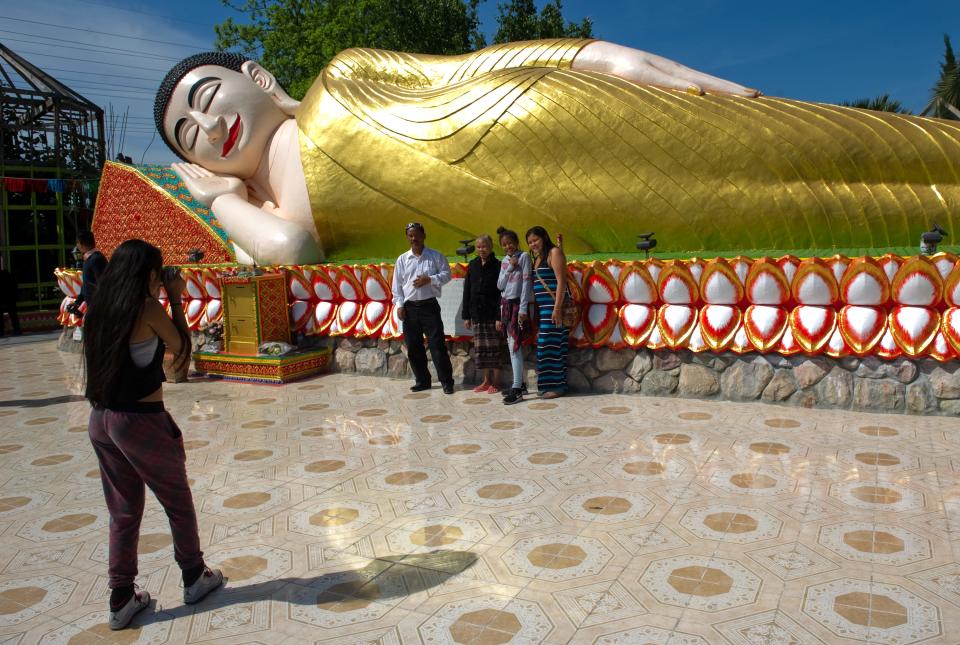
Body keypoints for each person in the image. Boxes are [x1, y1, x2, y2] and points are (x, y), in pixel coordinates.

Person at [154, 41, 960, 266]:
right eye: (188, 138)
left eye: (206, 97)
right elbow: (289, 249)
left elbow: (473, 69)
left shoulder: (342, 77)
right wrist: (225, 200)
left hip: (548, 119)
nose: (207, 125)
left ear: (255, 76)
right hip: (573, 212)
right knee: (791, 210)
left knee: (793, 138)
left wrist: (613, 59)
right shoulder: (273, 212)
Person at [82, 239, 223, 630]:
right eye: (158, 274)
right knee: (177, 499)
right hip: (139, 420)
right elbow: (181, 352)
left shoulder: (99, 310)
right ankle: (195, 575)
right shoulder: (146, 308)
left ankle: (121, 597)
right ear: (148, 274)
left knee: (123, 512)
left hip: (101, 419)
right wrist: (176, 300)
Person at [391, 222, 455, 395]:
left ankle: (447, 382)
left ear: (424, 235)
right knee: (413, 347)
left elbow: (447, 275)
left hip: (429, 306)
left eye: (417, 235)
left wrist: (430, 279)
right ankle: (422, 381)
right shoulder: (402, 259)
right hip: (410, 308)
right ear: (407, 238)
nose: (414, 238)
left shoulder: (435, 256)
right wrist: (400, 305)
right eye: (411, 235)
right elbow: (397, 286)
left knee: (437, 345)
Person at [527, 226, 569, 399]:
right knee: (551, 346)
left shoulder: (554, 253)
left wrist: (557, 308)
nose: (533, 244)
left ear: (544, 237)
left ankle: (556, 386)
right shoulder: (537, 258)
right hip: (544, 311)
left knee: (549, 347)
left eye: (535, 240)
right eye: (529, 242)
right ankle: (550, 385)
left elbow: (562, 281)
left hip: (553, 309)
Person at [462, 234, 503, 394]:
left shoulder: (498, 266)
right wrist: (466, 315)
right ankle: (486, 381)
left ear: (491, 247)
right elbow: (467, 291)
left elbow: (502, 292)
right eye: (478, 247)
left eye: (484, 246)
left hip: (492, 314)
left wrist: (499, 317)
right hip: (477, 313)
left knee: (494, 349)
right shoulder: (473, 265)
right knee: (481, 350)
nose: (481, 250)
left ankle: (497, 381)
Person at [496, 226, 532, 405]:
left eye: (510, 243)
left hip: (518, 305)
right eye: (504, 244)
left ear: (516, 243)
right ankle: (520, 384)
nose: (508, 247)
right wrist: (510, 267)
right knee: (511, 345)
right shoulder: (505, 261)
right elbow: (500, 285)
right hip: (506, 306)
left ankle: (517, 388)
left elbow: (526, 284)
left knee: (515, 346)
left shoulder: (524, 257)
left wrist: (523, 309)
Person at [71, 231, 108, 314]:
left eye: (77, 243)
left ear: (80, 243)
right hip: (93, 306)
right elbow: (86, 284)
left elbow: (103, 284)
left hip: (98, 307)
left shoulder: (96, 259)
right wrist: (78, 302)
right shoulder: (90, 259)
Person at [0, 262, 21, 337]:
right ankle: (17, 329)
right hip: (10, 298)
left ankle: (1, 331)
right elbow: (15, 287)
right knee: (13, 314)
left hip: (4, 297)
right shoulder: (9, 275)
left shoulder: (6, 276)